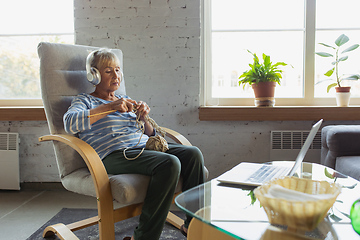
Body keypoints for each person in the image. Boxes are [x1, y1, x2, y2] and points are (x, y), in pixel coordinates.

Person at [63, 48, 205, 240]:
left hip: (141, 149)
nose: (116, 75)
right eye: (108, 71)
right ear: (94, 75)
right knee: (170, 163)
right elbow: (70, 123)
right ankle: (144, 237)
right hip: (112, 155)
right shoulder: (85, 100)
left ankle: (193, 225)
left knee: (193, 154)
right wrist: (110, 107)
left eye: (118, 70)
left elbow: (150, 135)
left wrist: (143, 118)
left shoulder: (125, 101)